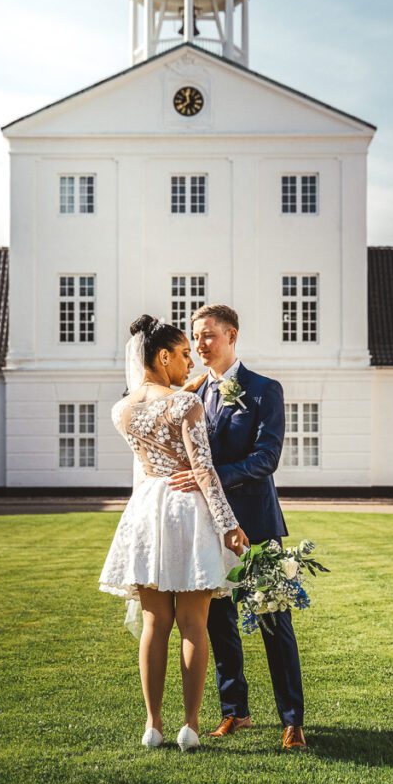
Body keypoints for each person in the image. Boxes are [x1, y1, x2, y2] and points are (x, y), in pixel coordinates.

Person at [99, 315, 249, 752]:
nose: (190, 363)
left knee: (154, 623)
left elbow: (150, 425)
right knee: (193, 625)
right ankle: (190, 726)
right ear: (163, 357)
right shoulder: (186, 406)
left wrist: (178, 390)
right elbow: (202, 469)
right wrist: (229, 525)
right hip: (186, 512)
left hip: (146, 511)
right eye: (184, 355)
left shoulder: (121, 410)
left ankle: (152, 725)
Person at [168, 304, 307, 751]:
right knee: (219, 623)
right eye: (195, 336)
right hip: (208, 525)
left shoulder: (265, 390)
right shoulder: (192, 393)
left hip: (257, 524)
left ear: (232, 335)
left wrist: (209, 476)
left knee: (272, 620)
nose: (199, 344)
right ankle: (235, 712)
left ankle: (292, 720)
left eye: (208, 335)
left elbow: (267, 459)